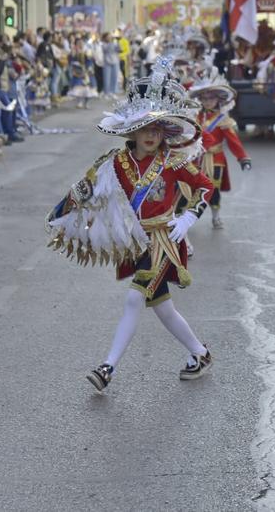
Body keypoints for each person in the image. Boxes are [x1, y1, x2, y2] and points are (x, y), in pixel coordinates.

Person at [46, 56, 216, 392]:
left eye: (157, 128)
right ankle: (200, 353)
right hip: (136, 239)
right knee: (163, 309)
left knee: (134, 300)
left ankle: (107, 367)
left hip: (164, 240)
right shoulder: (115, 163)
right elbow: (85, 189)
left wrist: (188, 217)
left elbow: (205, 187)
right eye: (144, 128)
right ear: (132, 131)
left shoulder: (173, 161)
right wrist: (58, 215)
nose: (151, 135)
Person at [189, 69, 251, 229]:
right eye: (204, 98)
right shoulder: (195, 117)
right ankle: (186, 216)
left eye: (211, 98)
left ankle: (216, 216)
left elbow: (233, 141)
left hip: (216, 159)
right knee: (189, 187)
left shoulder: (223, 120)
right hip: (196, 158)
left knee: (213, 187)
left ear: (218, 99)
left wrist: (243, 158)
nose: (208, 101)